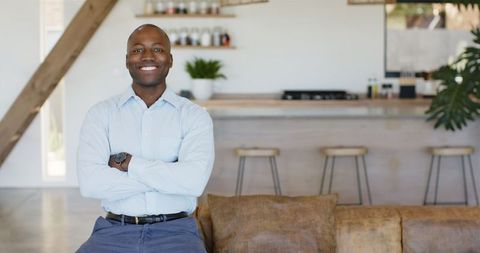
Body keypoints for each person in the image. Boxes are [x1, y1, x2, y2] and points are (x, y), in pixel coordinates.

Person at [76, 24, 214, 253]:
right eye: (138, 50)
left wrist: (130, 164)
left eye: (157, 49)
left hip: (177, 233)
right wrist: (170, 175)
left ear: (170, 59)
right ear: (127, 60)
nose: (148, 56)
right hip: (113, 231)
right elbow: (90, 184)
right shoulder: (101, 114)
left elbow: (194, 182)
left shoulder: (194, 116)